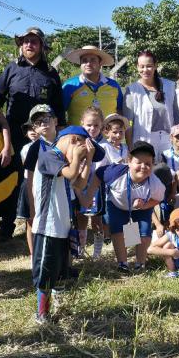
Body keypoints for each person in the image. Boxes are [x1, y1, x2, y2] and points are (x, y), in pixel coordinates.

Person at [0, 26, 65, 241]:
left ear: (41, 46)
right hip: (15, 134)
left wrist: (58, 136)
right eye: (25, 41)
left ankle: (39, 226)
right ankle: (7, 227)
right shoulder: (11, 69)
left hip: (43, 135)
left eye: (33, 41)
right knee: (13, 179)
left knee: (39, 178)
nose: (29, 45)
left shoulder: (51, 73)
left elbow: (59, 108)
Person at [32, 125, 99, 323]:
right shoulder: (48, 155)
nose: (82, 155)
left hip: (62, 227)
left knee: (60, 272)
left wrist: (87, 159)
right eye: (81, 149)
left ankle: (59, 309)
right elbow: (71, 174)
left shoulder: (64, 161)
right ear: (73, 141)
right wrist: (79, 157)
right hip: (47, 227)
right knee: (45, 273)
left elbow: (79, 183)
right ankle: (41, 314)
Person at [79, 141, 165, 273]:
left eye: (148, 164)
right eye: (139, 162)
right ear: (129, 161)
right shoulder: (115, 173)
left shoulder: (155, 183)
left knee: (144, 231)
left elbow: (158, 199)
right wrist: (90, 195)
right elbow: (98, 174)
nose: (143, 167)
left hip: (141, 207)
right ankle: (123, 263)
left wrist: (145, 205)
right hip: (116, 204)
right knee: (118, 230)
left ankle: (140, 263)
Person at [18, 104, 58, 259]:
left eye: (46, 119)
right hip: (33, 188)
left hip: (56, 191)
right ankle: (35, 255)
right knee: (32, 221)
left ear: (55, 120)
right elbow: (29, 173)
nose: (42, 124)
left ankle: (61, 261)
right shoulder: (30, 149)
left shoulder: (64, 143)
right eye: (37, 122)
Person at [124, 50, 177, 156]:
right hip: (144, 140)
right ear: (137, 67)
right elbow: (127, 123)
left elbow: (176, 114)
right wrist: (130, 148)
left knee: (168, 171)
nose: (145, 70)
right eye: (141, 66)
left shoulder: (169, 86)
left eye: (149, 66)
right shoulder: (133, 90)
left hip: (168, 141)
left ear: (155, 66)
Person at [74, 106, 108, 259]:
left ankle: (97, 253)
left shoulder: (106, 145)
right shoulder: (77, 142)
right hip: (81, 185)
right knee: (81, 218)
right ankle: (80, 250)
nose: (92, 128)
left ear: (102, 125)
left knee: (96, 220)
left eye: (96, 125)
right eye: (89, 125)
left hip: (97, 188)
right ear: (82, 123)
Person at [62, 45, 122, 125]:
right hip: (78, 136)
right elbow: (60, 113)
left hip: (108, 137)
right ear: (80, 64)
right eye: (84, 60)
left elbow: (120, 110)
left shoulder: (114, 85)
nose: (88, 64)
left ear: (100, 63)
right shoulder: (70, 86)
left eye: (93, 60)